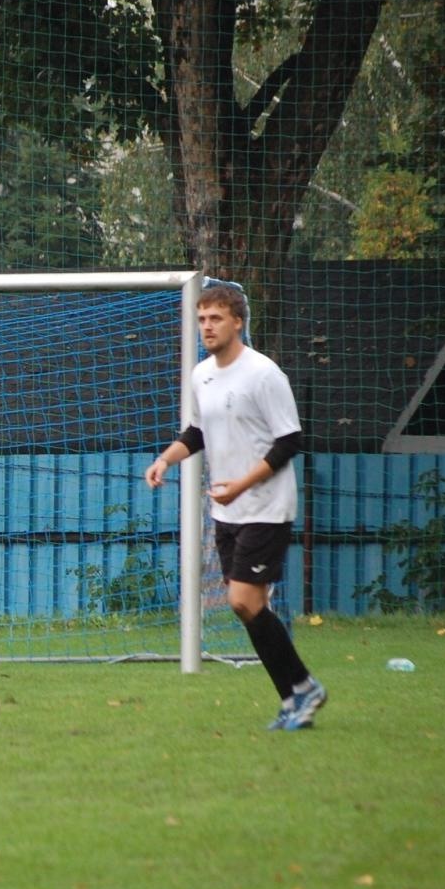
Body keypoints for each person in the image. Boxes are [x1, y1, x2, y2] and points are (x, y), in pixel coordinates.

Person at [144, 283, 328, 730]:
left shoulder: (264, 374)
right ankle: (296, 693)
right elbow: (197, 433)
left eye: (216, 318)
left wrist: (242, 485)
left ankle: (302, 688)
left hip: (266, 506)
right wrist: (165, 459)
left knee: (242, 600)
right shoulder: (201, 376)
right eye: (202, 319)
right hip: (226, 511)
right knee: (246, 606)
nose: (207, 326)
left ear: (238, 322)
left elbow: (290, 442)